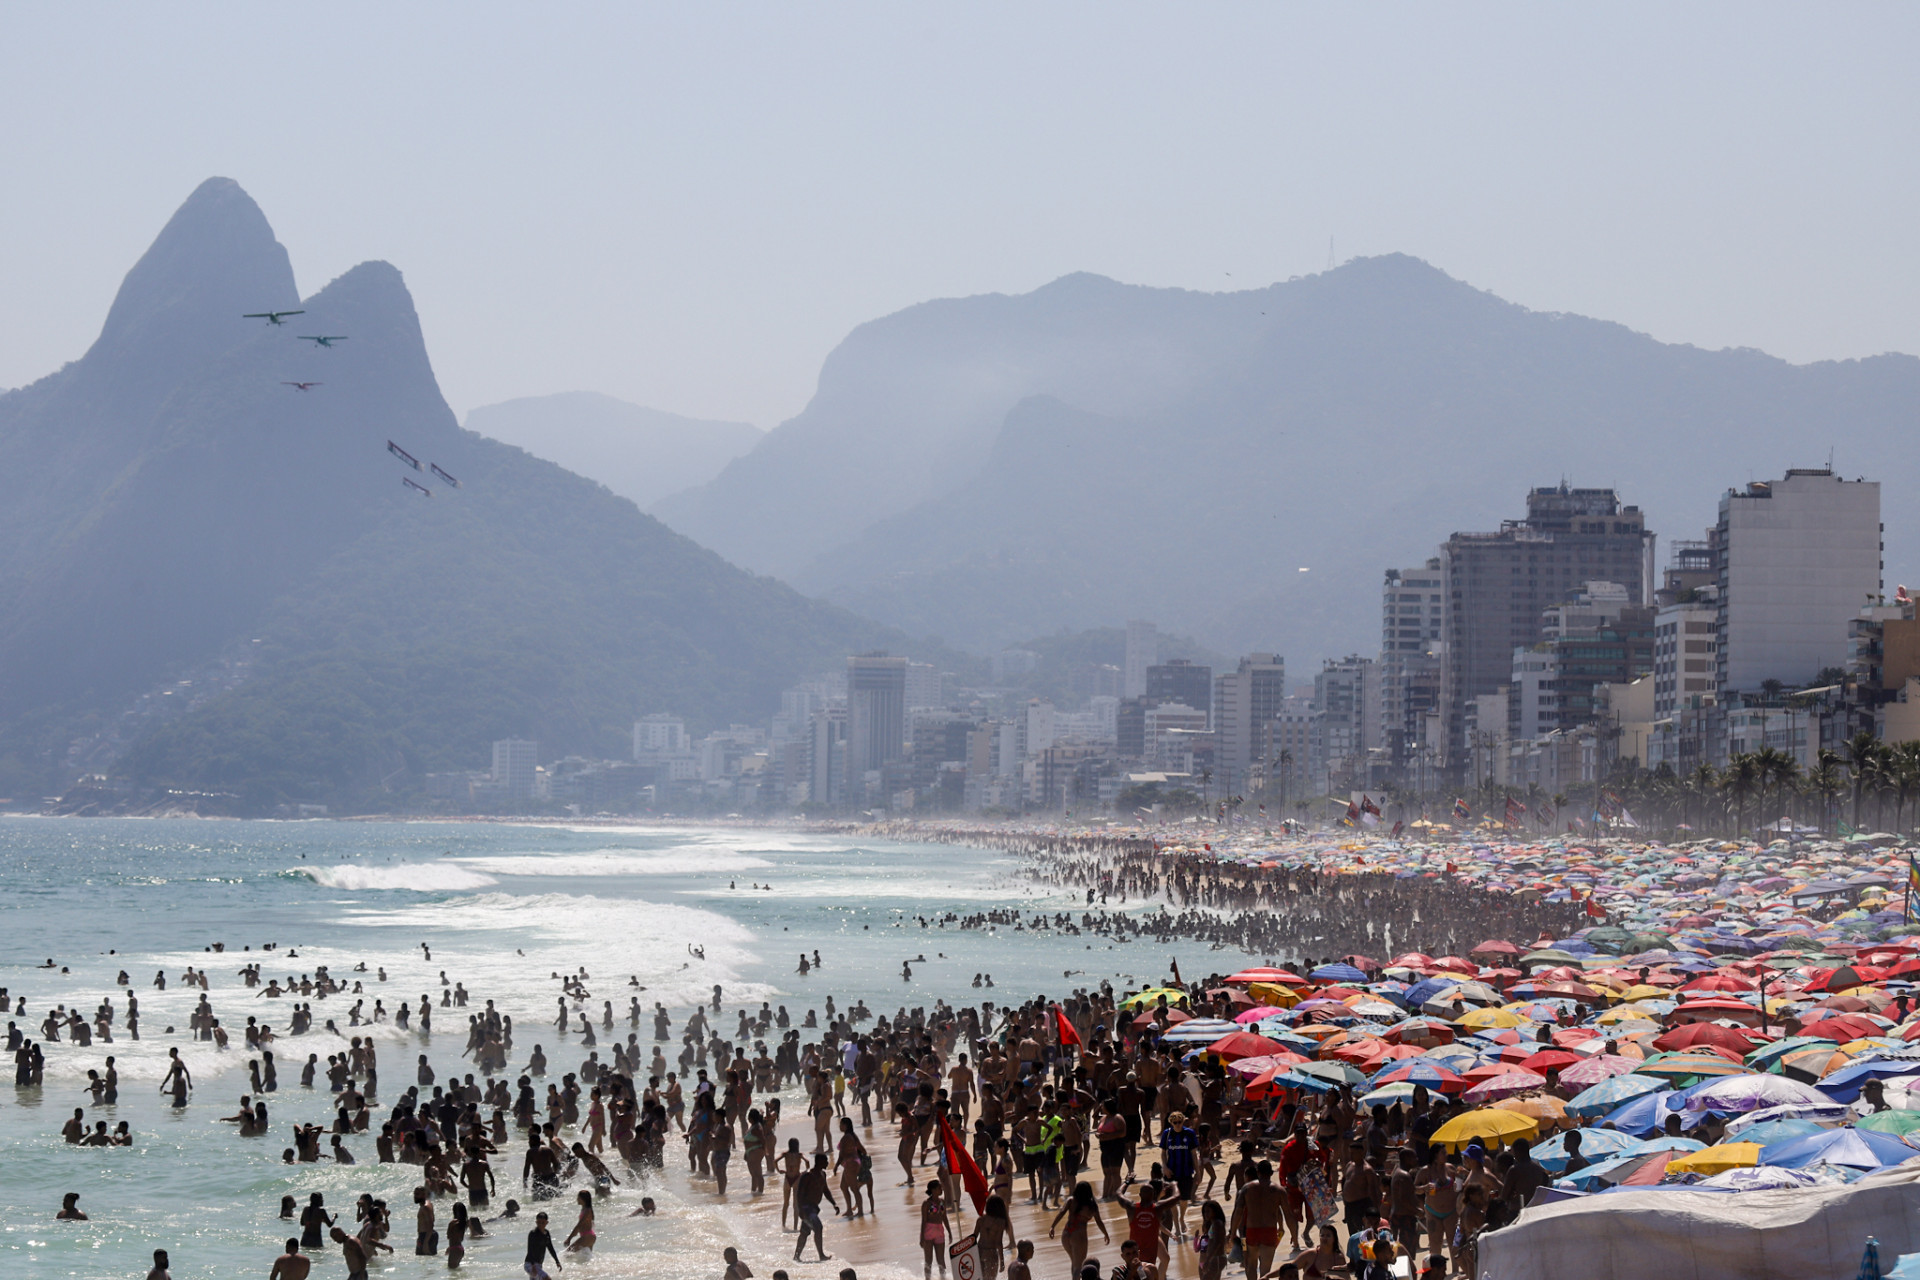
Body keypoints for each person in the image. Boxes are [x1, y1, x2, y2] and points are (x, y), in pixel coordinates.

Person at [1048, 1180, 1110, 1277]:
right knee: (1079, 1265)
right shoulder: (1091, 1205)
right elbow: (1099, 1222)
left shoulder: (1071, 1200)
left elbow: (1061, 1212)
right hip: (1078, 1235)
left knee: (1074, 1262)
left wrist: (1052, 1226)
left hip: (1066, 1233)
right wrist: (1105, 1234)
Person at [794, 1152, 839, 1262]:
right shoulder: (808, 1175)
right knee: (818, 1228)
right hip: (806, 1208)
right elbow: (799, 1194)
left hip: (814, 1208)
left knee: (804, 1233)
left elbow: (825, 1190)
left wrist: (834, 1204)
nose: (828, 1163)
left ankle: (796, 1256)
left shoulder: (822, 1174)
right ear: (819, 1162)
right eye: (825, 1161)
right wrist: (800, 1210)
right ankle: (821, 1255)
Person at [920, 1180, 953, 1280]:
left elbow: (945, 1218)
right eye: (939, 1188)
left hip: (939, 1232)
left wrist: (949, 1232)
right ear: (933, 1190)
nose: (941, 1189)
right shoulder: (926, 1204)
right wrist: (921, 1238)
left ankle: (943, 1278)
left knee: (941, 1261)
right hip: (928, 1232)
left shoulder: (942, 1201)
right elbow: (924, 1221)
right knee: (928, 1261)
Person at [525, 1210, 562, 1279]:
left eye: (543, 1222)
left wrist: (557, 1261)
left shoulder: (546, 1233)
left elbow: (550, 1248)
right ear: (536, 1222)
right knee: (547, 1279)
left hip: (538, 1264)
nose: (541, 1225)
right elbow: (530, 1250)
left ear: (547, 1222)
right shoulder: (533, 1233)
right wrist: (533, 1265)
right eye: (539, 1222)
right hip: (530, 1264)